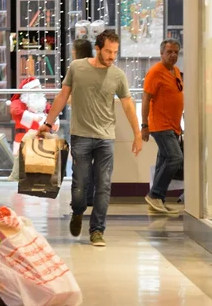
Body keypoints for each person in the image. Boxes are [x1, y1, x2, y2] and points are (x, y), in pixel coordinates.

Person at [40, 30, 143, 247]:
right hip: (81, 136)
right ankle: (77, 212)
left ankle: (97, 230)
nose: (112, 56)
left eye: (115, 52)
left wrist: (137, 133)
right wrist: (48, 123)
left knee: (104, 186)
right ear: (97, 49)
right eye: (108, 51)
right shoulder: (77, 68)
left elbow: (127, 105)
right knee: (79, 186)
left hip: (106, 138)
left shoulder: (118, 76)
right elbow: (62, 96)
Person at [142, 39, 184, 215]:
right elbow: (146, 99)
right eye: (169, 52)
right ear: (162, 54)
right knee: (175, 158)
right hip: (160, 125)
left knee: (163, 161)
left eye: (176, 52)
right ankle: (155, 194)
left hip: (173, 126)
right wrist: (144, 124)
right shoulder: (155, 72)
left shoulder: (174, 71)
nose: (173, 55)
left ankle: (159, 200)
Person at [70, 38, 96, 209]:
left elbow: (69, 98)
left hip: (80, 124)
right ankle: (89, 197)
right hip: (96, 123)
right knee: (92, 164)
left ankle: (79, 199)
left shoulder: (76, 70)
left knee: (79, 164)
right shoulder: (98, 69)